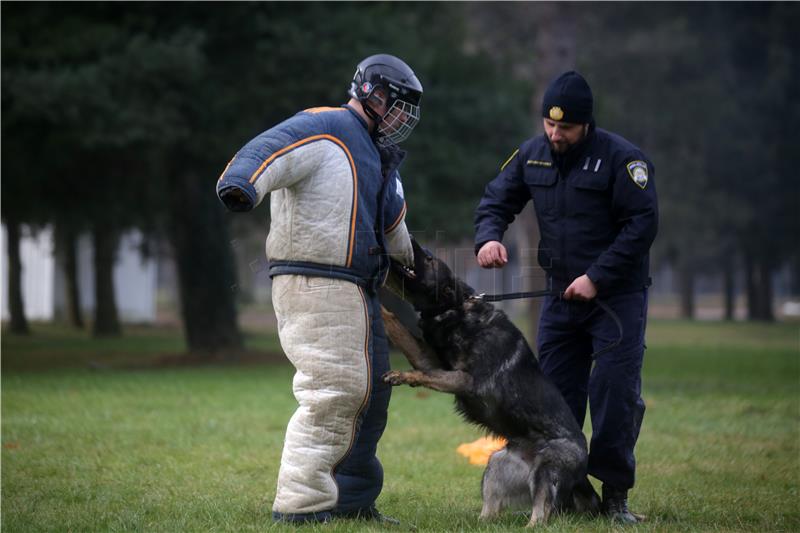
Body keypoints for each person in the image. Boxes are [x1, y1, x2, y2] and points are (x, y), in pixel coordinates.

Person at [216, 54, 423, 524]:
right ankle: (301, 504)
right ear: (372, 92)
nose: (401, 118)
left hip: (356, 289)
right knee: (335, 390)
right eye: (398, 106)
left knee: (371, 392)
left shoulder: (377, 155)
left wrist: (416, 273)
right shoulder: (324, 126)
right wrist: (241, 184)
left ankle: (351, 499)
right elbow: (266, 149)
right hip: (316, 281)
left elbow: (395, 230)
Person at [474, 71, 658, 524]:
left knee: (614, 393)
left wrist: (597, 276)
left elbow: (642, 226)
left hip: (616, 300)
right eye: (549, 125)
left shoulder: (623, 160)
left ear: (586, 125)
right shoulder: (532, 154)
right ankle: (568, 491)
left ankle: (615, 497)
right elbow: (497, 200)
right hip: (559, 298)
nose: (556, 134)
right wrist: (488, 238)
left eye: (566, 128)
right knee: (551, 399)